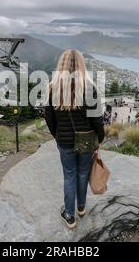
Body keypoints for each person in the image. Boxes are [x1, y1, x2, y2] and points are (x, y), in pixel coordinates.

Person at [44, 49, 105, 229]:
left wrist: (57, 136)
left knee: (69, 176)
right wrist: (98, 140)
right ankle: (81, 207)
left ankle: (69, 216)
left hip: (65, 141)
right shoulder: (89, 88)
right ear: (81, 65)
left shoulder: (53, 88)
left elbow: (49, 118)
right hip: (86, 141)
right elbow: (97, 120)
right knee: (83, 173)